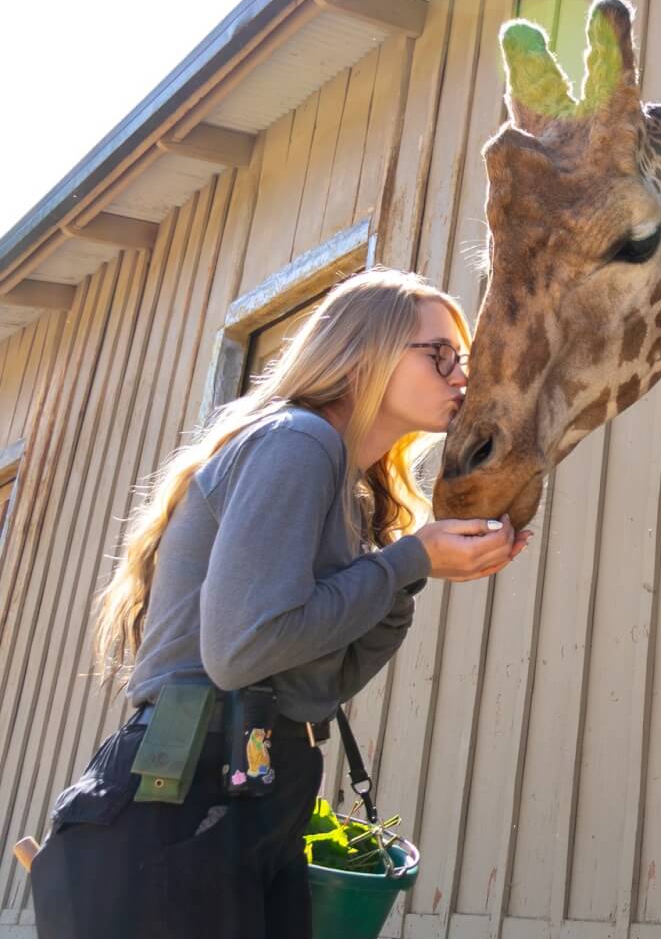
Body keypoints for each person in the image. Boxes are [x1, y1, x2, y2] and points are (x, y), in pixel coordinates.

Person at [29, 267, 530, 939]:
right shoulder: (299, 441)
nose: (460, 375)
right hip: (183, 803)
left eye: (461, 357)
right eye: (439, 353)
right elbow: (241, 653)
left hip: (251, 794)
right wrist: (409, 560)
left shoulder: (351, 492)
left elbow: (316, 688)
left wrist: (411, 571)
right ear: (362, 354)